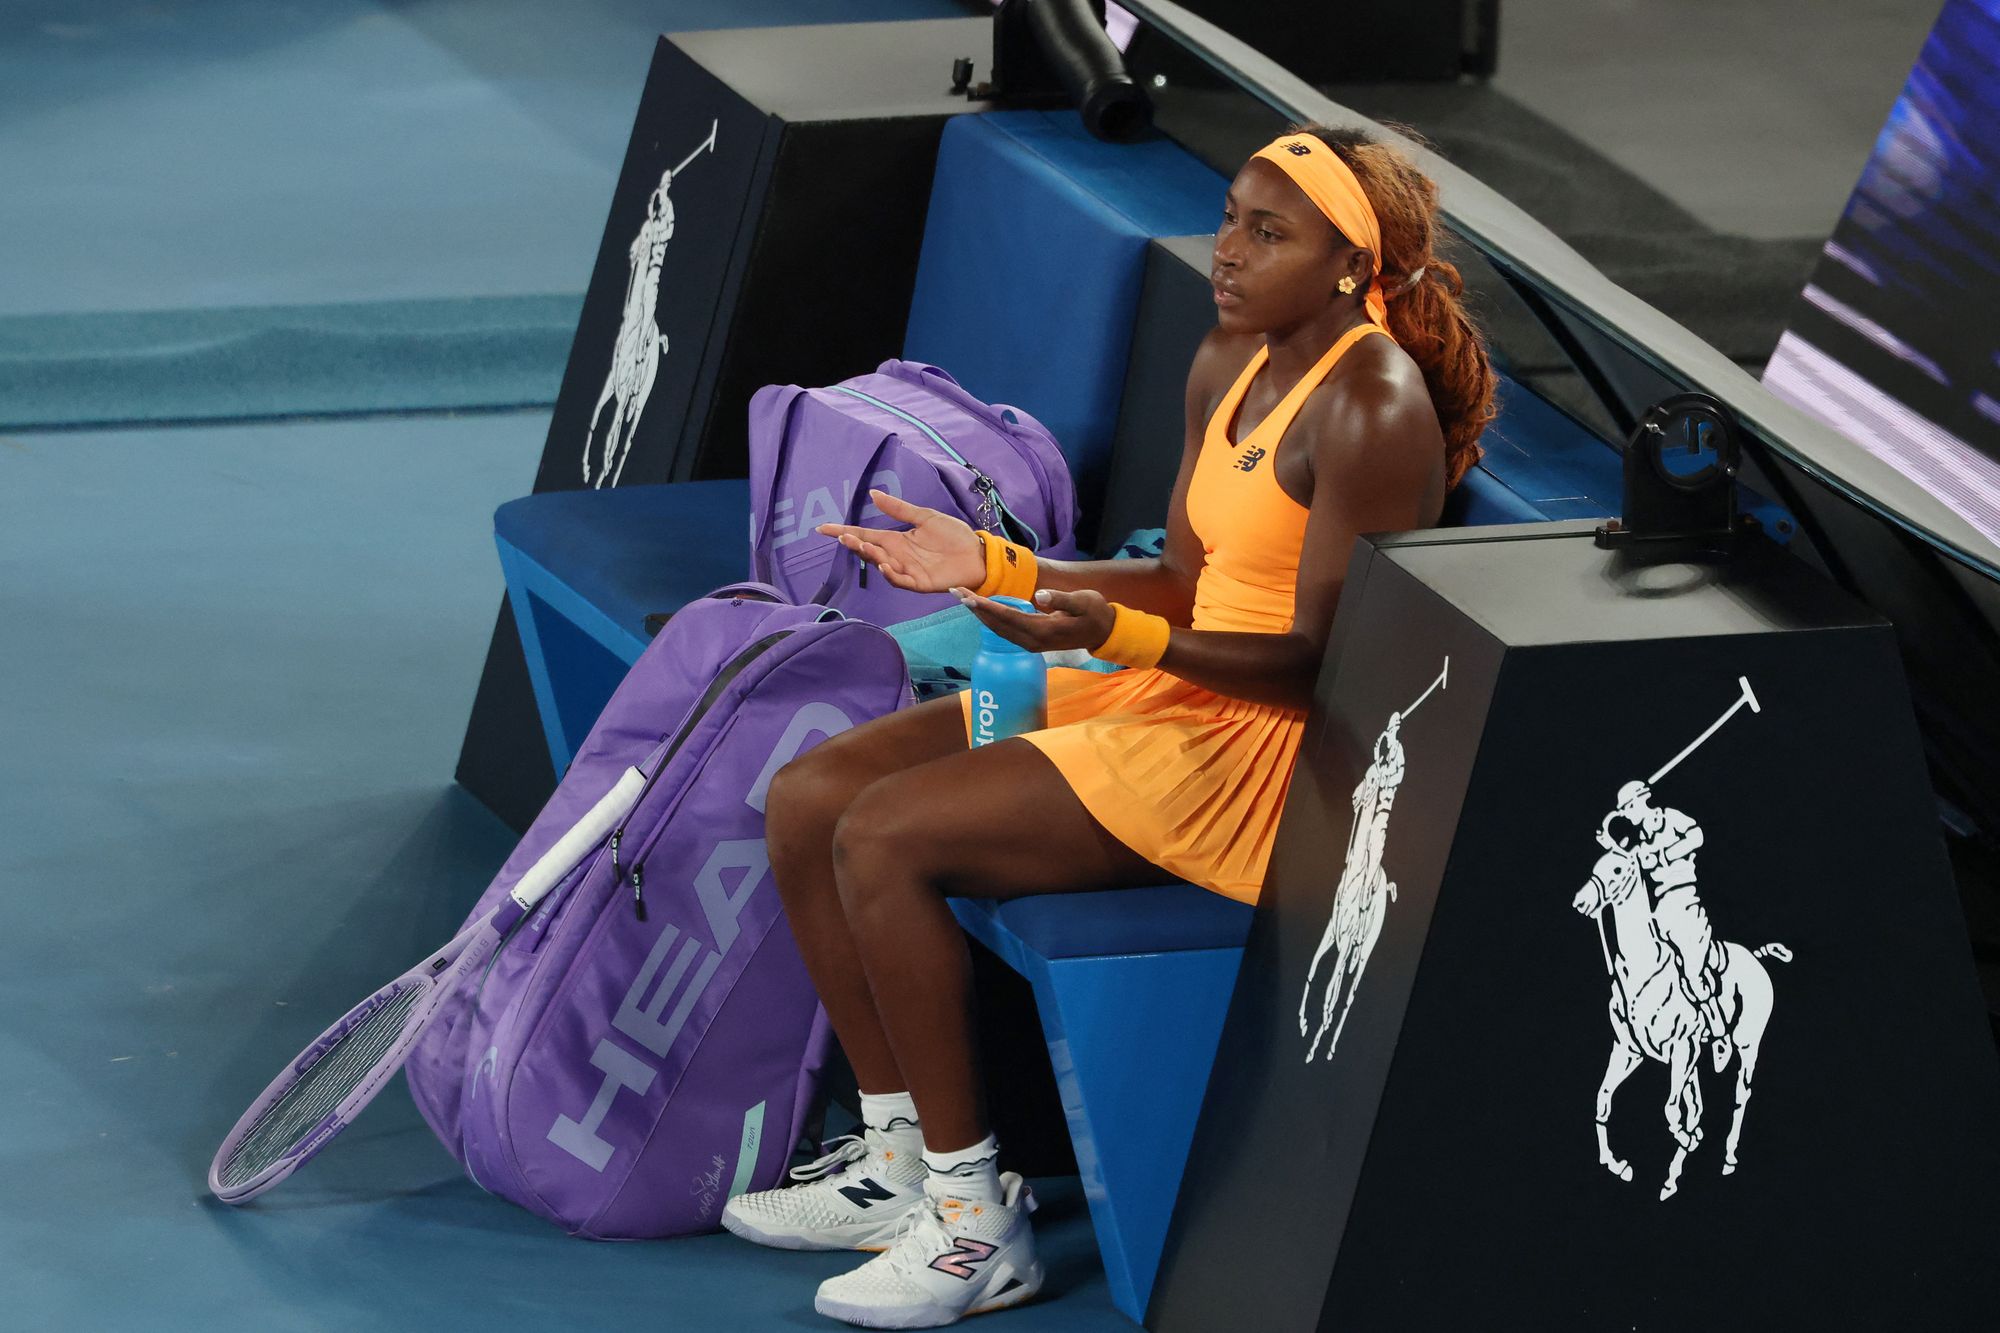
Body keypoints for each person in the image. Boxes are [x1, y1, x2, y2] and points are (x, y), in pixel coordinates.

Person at [720, 123, 1496, 1329]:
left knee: (882, 835)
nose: (1226, 251)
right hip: (1164, 686)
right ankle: (898, 1162)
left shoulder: (1370, 406)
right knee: (810, 795)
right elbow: (1183, 580)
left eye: (1267, 234)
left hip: (1260, 757)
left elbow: (1328, 669)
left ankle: (974, 1225)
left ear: (1351, 265)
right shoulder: (1230, 355)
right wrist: (996, 566)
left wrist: (1114, 639)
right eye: (1229, 218)